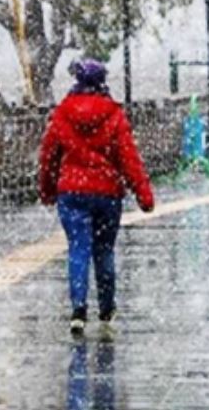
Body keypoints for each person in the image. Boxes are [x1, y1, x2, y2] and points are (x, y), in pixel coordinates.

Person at [39, 59, 154, 333]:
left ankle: (78, 309)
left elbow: (48, 155)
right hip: (106, 193)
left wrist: (47, 189)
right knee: (104, 251)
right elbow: (129, 159)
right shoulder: (114, 115)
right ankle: (106, 308)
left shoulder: (63, 113)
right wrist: (143, 194)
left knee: (78, 249)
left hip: (72, 192)